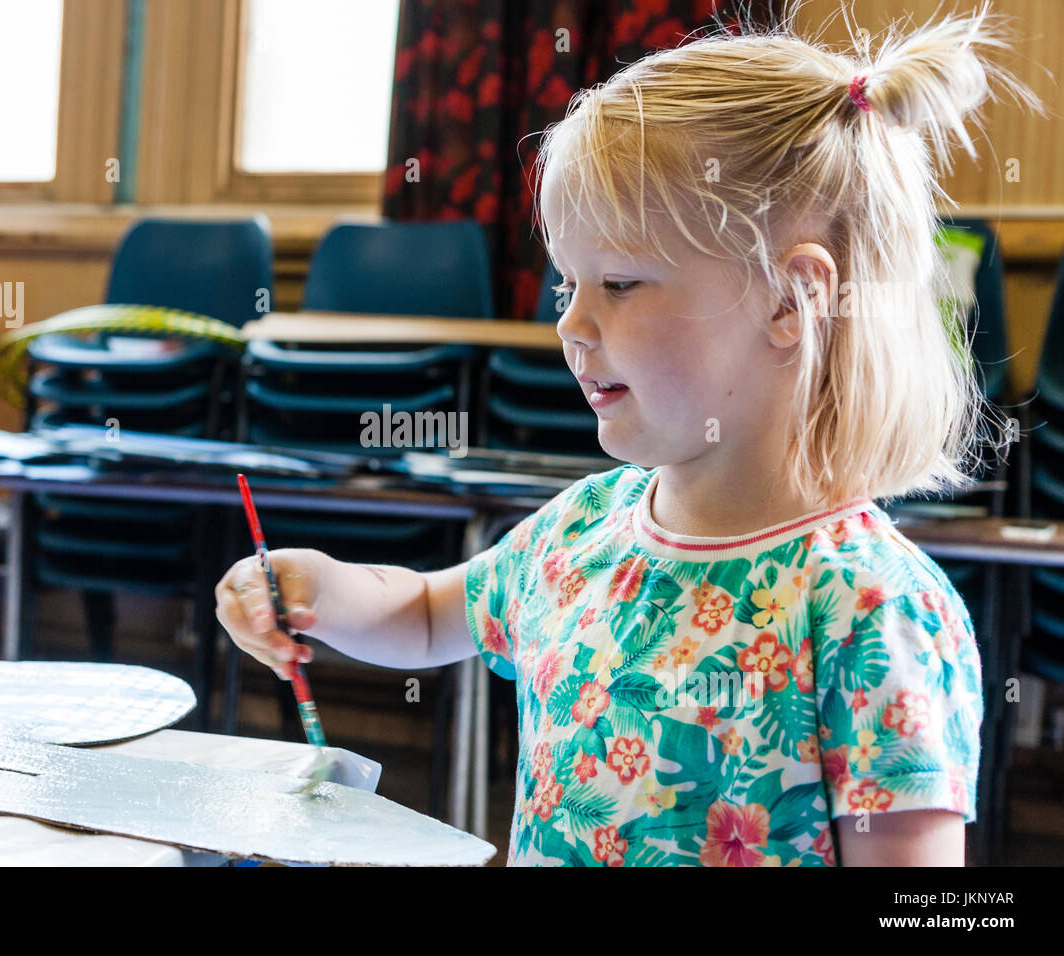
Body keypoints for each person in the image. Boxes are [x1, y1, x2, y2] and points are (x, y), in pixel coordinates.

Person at [216, 3, 1040, 865]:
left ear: (792, 301)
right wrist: (315, 587)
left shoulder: (874, 611)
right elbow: (426, 615)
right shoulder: (583, 530)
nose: (572, 324)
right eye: (569, 283)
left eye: (618, 281)